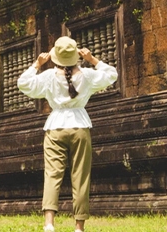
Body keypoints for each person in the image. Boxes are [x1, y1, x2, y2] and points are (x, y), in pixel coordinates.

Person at [18, 36, 118, 232]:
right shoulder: (87, 75)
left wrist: (37, 64)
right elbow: (111, 74)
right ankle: (79, 226)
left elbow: (23, 83)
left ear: (55, 57)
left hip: (55, 126)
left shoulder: (48, 77)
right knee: (81, 176)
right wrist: (92, 59)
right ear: (75, 55)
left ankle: (49, 224)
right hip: (80, 126)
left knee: (52, 174)